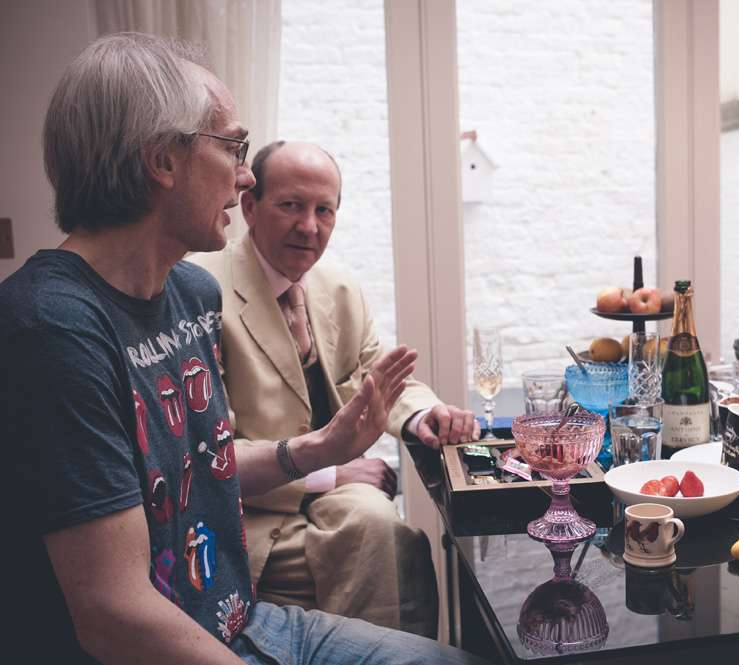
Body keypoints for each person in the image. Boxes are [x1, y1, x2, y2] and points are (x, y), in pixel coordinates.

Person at [0, 32, 485, 664]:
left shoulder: (189, 292)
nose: (246, 174)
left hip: (240, 619)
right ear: (162, 160)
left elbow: (207, 461)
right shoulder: (50, 329)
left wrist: (320, 448)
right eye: (233, 147)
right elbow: (113, 617)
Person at [190, 140, 479, 637]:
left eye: (324, 210)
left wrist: (422, 415)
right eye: (291, 205)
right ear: (250, 207)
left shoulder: (337, 285)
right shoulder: (200, 289)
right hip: (249, 513)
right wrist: (331, 475)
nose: (309, 226)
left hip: (334, 502)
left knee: (384, 530)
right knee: (387, 540)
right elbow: (205, 457)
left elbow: (375, 375)